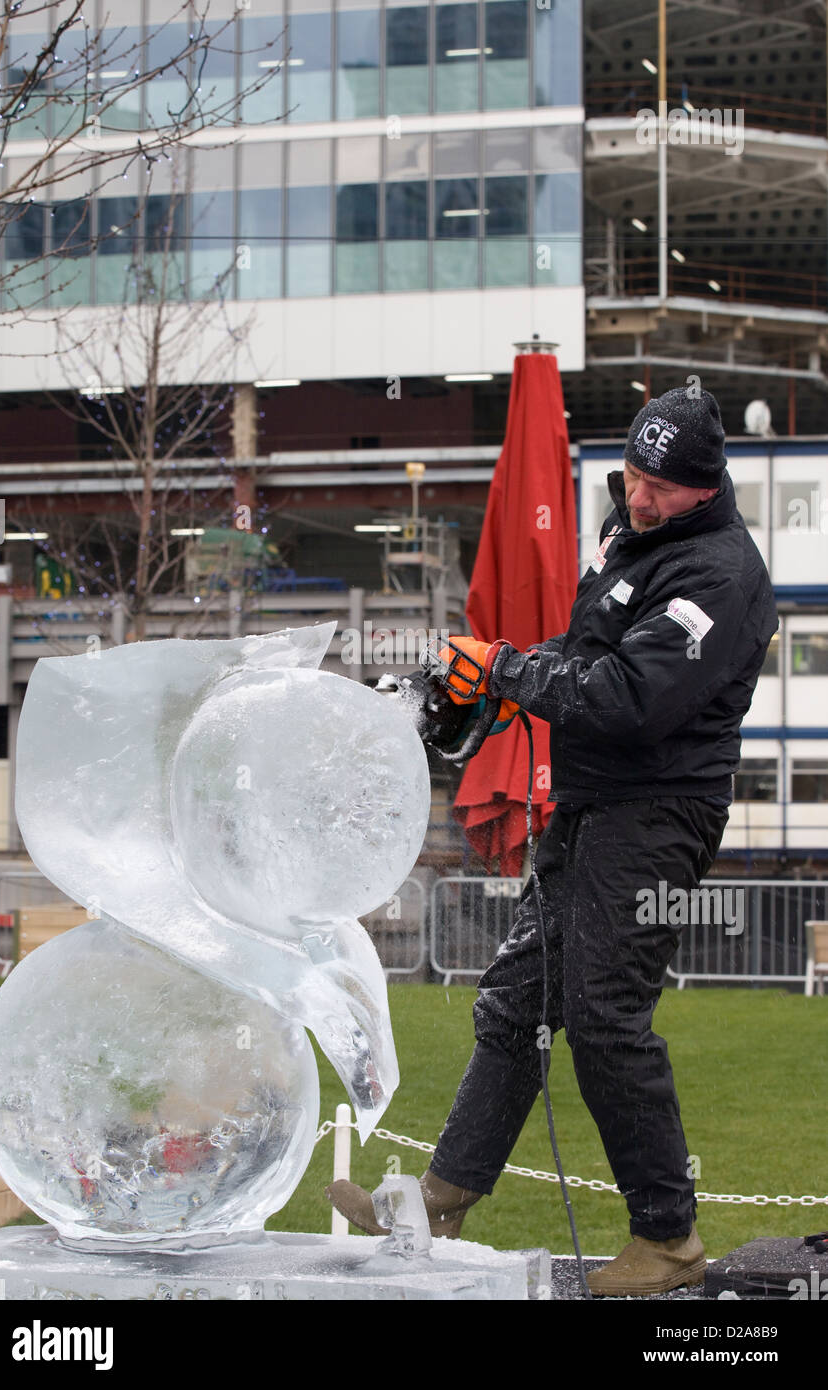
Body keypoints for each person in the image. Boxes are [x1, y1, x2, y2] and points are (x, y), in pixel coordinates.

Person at [327, 386, 778, 1297]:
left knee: (606, 1020)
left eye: (660, 488)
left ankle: (669, 1238)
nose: (638, 498)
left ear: (707, 486)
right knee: (512, 1007)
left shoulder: (720, 575)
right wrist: (499, 687)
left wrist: (501, 666)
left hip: (655, 816)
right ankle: (442, 1198)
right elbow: (582, 656)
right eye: (632, 477)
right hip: (588, 808)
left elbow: (629, 698)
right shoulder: (632, 540)